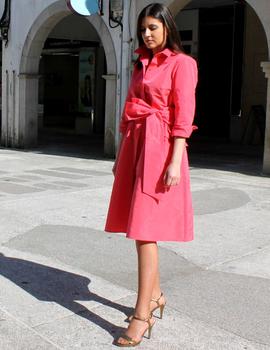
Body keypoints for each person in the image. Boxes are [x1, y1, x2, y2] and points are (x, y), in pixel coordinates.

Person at [105, 2, 198, 347]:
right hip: (136, 145)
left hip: (161, 150)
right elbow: (128, 110)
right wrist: (120, 155)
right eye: (143, 28)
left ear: (167, 28)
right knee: (139, 229)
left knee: (145, 231)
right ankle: (156, 295)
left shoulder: (183, 64)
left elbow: (183, 115)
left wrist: (175, 160)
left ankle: (142, 313)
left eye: (153, 28)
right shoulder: (140, 64)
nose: (146, 34)